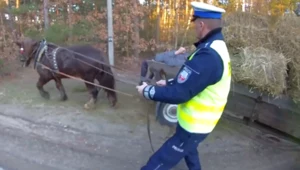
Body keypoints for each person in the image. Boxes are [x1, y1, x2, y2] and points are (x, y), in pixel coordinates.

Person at [136, 1, 231, 170]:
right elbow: (195, 81)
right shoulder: (215, 47)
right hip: (194, 122)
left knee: (158, 162)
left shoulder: (208, 55)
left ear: (201, 25)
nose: (194, 28)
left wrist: (147, 91)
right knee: (190, 152)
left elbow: (180, 94)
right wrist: (169, 82)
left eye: (195, 24)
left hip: (194, 126)